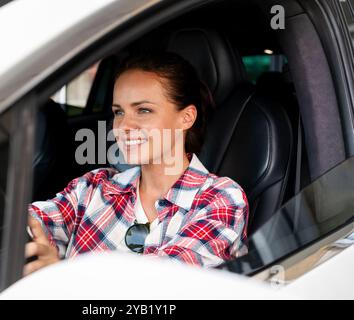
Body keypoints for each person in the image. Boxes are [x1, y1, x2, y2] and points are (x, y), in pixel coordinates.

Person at [24, 52, 249, 276]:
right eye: (118, 112)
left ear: (186, 118)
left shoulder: (220, 199)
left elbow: (162, 287)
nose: (123, 126)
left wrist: (59, 279)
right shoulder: (94, 187)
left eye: (143, 110)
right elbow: (27, 225)